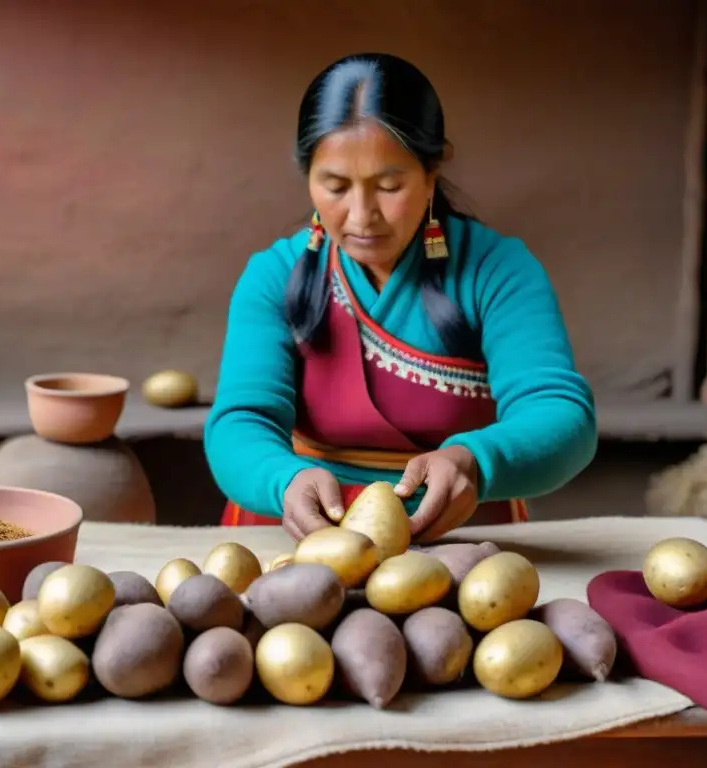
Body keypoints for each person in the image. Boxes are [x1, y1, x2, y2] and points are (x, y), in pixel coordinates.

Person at [204, 53, 597, 543]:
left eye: (389, 186)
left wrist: (476, 462)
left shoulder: (498, 270)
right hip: (297, 536)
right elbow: (240, 421)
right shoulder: (273, 275)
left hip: (463, 541)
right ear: (307, 176)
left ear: (433, 170)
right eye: (335, 186)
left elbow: (561, 414)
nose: (361, 215)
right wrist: (283, 480)